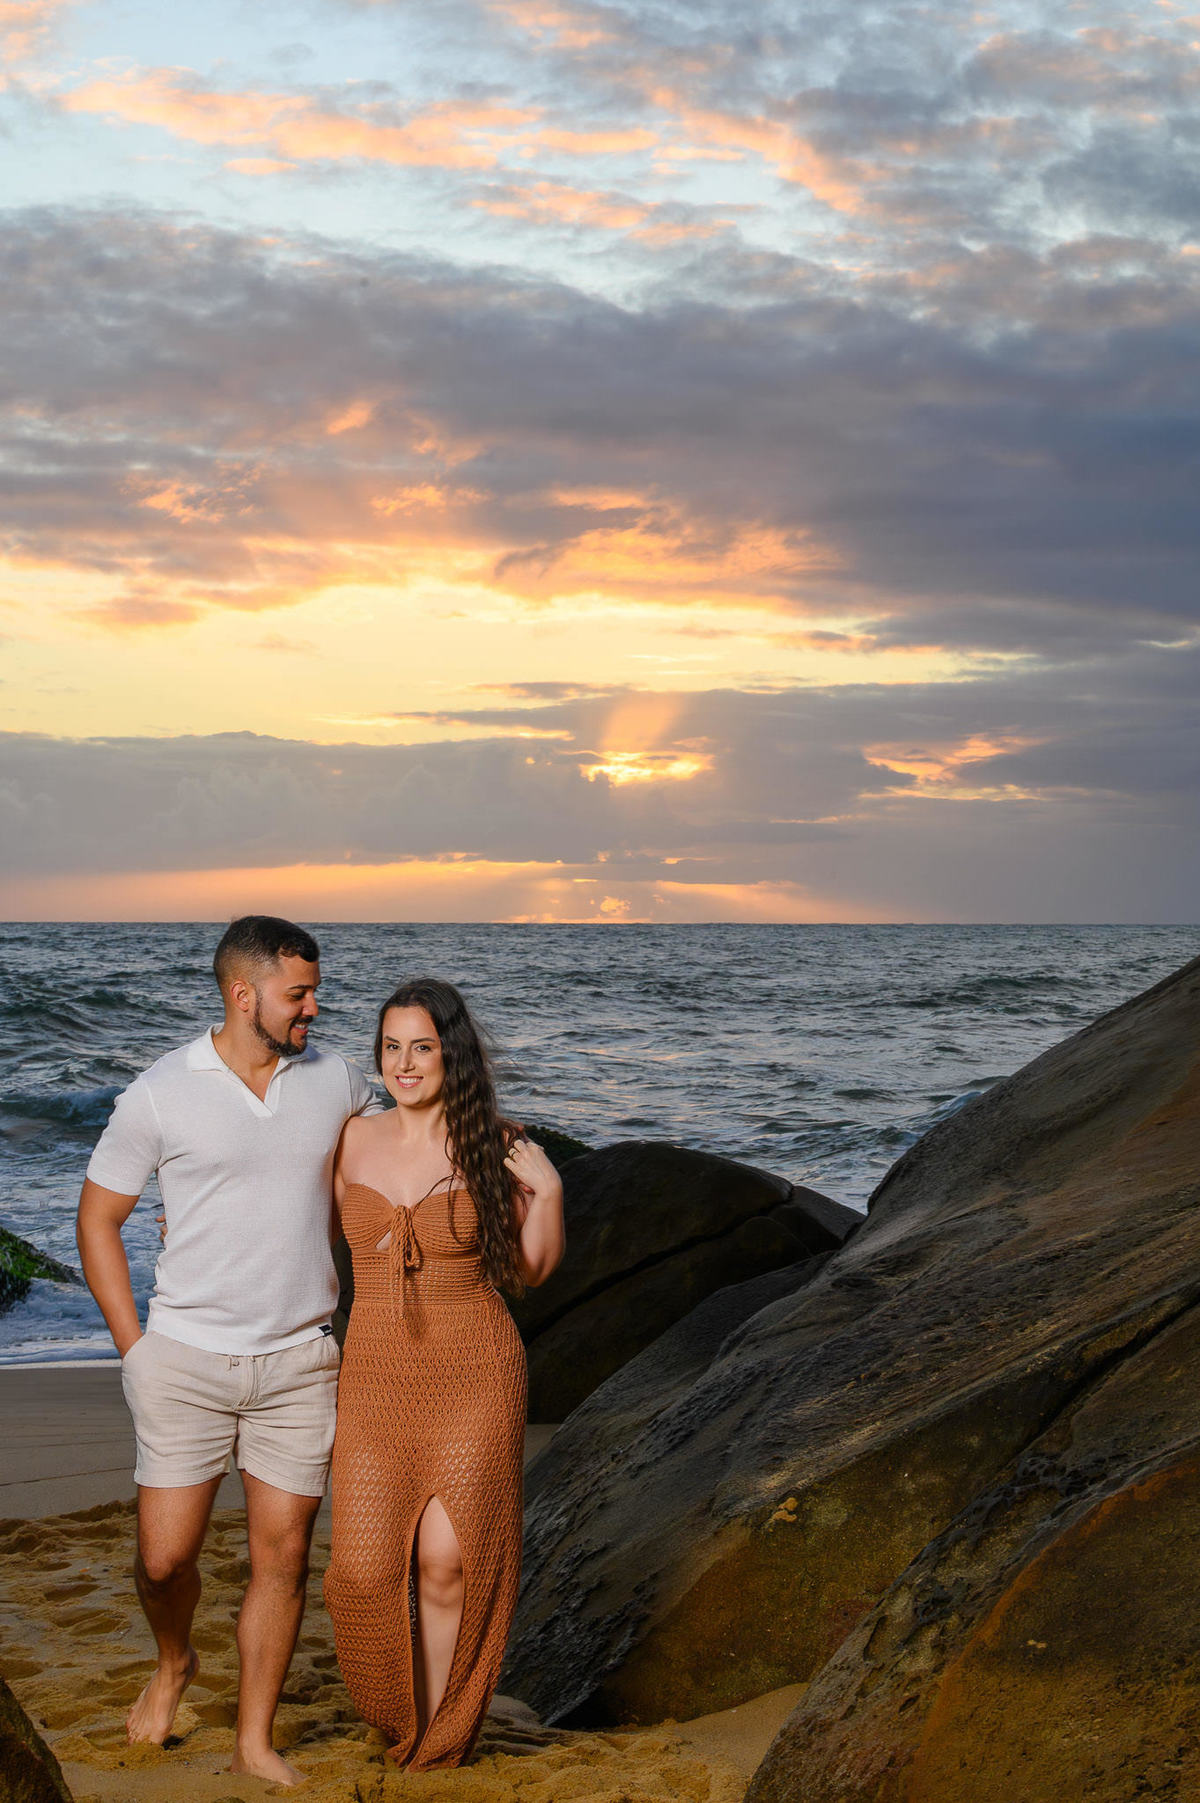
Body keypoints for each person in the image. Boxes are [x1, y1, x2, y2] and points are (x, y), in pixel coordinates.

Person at [76, 915, 380, 1789]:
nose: (315, 1009)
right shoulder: (161, 1093)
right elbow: (99, 1218)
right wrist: (134, 1348)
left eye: (315, 990)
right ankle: (174, 1661)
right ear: (243, 994)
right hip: (186, 1359)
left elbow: (394, 1144)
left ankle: (254, 1738)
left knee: (280, 1559)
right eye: (300, 993)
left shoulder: (335, 1079)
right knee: (165, 1558)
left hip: (298, 1362)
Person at [324, 977, 564, 1769]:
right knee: (361, 1571)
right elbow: (304, 1233)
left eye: (421, 1046)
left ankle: (439, 1741)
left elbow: (529, 1271)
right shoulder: (351, 1138)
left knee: (446, 1561)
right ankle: (403, 1718)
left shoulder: (491, 1141)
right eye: (391, 1047)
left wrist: (550, 1192)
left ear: (450, 1052)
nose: (404, 1062)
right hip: (374, 1375)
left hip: (475, 1370)